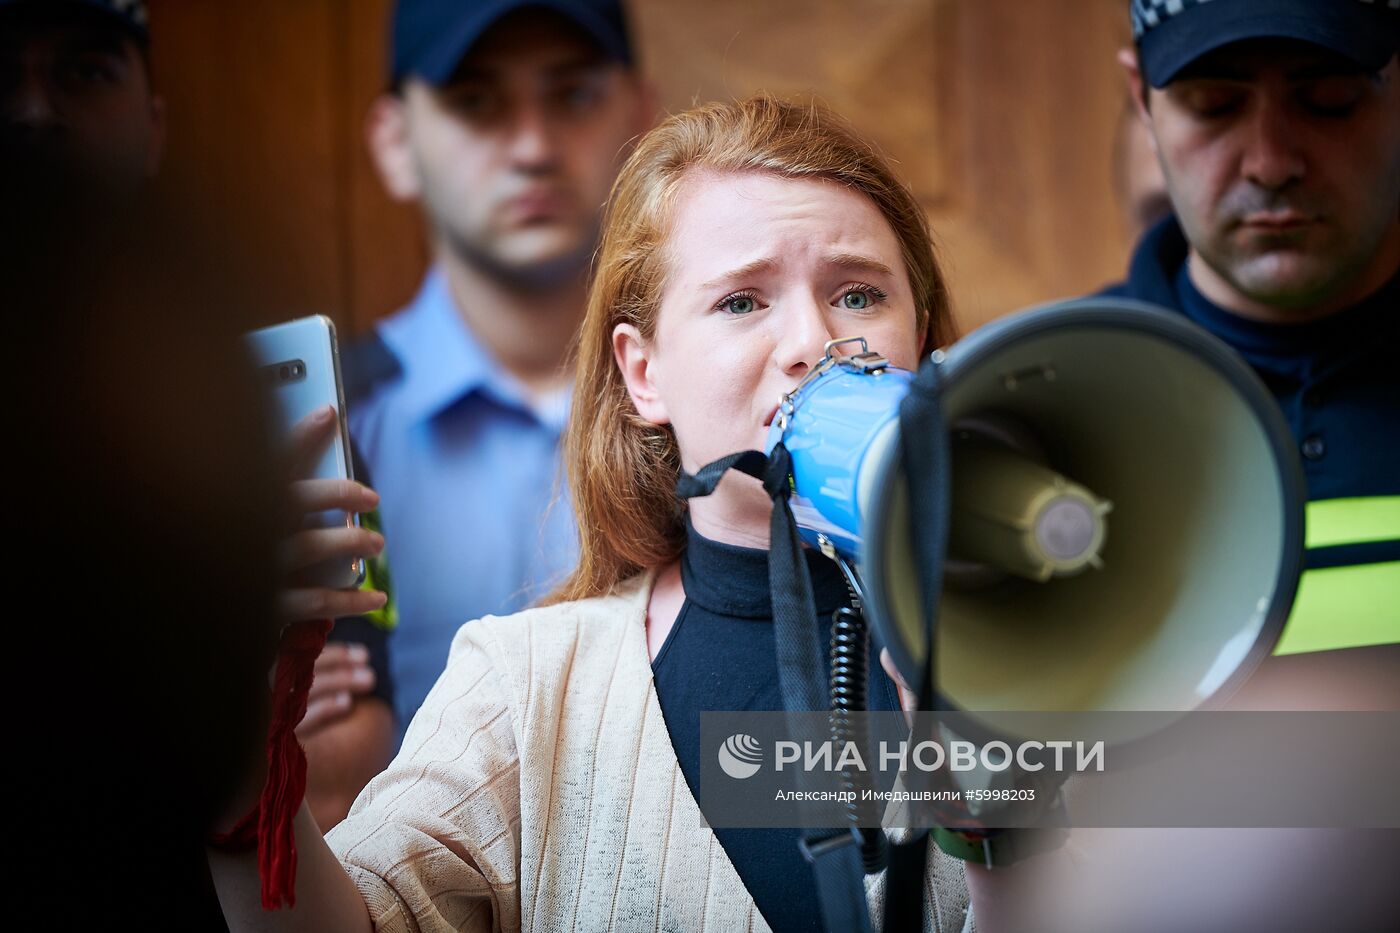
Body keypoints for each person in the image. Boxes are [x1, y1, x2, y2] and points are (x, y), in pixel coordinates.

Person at [210, 95, 975, 932]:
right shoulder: (527, 686)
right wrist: (236, 739)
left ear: (926, 341)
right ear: (643, 373)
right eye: (742, 301)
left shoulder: (1046, 637)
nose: (811, 341)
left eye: (859, 294)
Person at [0, 0, 399, 832]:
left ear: (152, 128)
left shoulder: (280, 419)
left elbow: (357, 750)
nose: (35, 111)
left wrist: (252, 701)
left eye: (83, 72)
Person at [348, 0, 656, 742]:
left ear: (644, 120)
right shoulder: (317, 431)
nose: (532, 147)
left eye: (572, 94)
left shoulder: (734, 414)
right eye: (475, 101)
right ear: (394, 142)